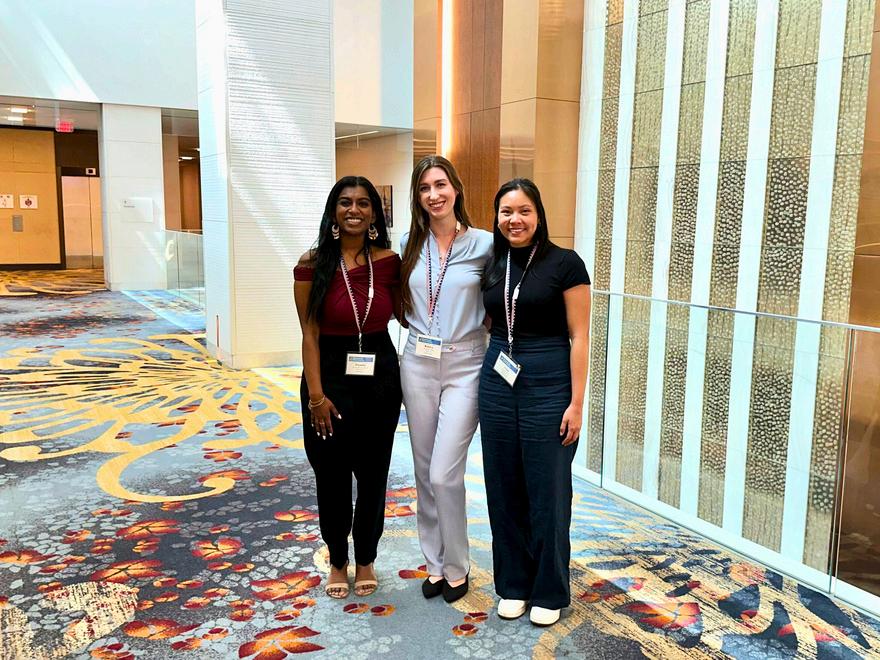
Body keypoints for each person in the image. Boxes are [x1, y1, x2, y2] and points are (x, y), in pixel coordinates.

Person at [478, 178, 591, 626]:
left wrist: (576, 403)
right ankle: (514, 584)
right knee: (503, 485)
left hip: (549, 381)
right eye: (506, 212)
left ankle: (549, 590)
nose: (515, 220)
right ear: (497, 218)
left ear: (539, 214)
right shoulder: (495, 261)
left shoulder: (565, 263)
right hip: (498, 377)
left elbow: (580, 336)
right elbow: (492, 320)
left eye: (524, 211)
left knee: (548, 491)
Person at [293, 176, 403, 599]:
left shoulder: (390, 262)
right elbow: (309, 334)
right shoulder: (312, 263)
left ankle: (367, 557)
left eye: (362, 203)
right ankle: (338, 559)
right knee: (332, 474)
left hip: (380, 378)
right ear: (333, 212)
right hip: (329, 377)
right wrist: (316, 397)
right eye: (345, 202)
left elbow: (409, 312)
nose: (354, 210)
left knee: (374, 475)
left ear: (375, 214)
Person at [399, 155, 493, 603]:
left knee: (444, 473)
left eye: (440, 185)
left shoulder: (484, 243)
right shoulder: (409, 243)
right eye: (424, 188)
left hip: (466, 363)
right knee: (423, 470)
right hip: (417, 361)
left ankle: (457, 565)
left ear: (456, 188)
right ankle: (434, 565)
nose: (433, 195)